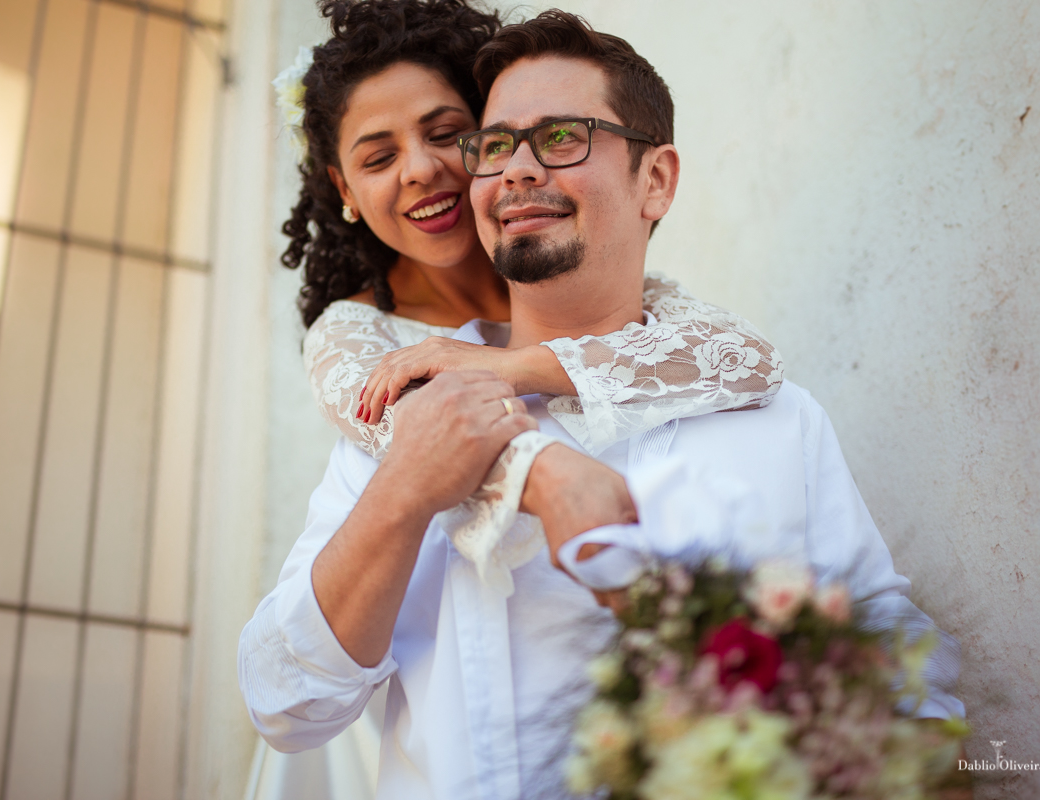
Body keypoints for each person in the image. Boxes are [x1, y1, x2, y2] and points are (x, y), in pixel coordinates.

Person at [241, 9, 964, 800]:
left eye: (560, 139)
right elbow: (286, 703)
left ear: (655, 180)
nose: (514, 170)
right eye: (496, 146)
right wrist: (421, 483)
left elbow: (897, 668)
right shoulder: (396, 408)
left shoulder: (773, 415)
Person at [277, 0, 788, 584]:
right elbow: (422, 437)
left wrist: (518, 366)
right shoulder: (352, 334)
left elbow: (747, 358)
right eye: (379, 157)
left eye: (445, 134)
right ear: (343, 187)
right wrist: (547, 476)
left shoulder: (561, 270)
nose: (418, 169)